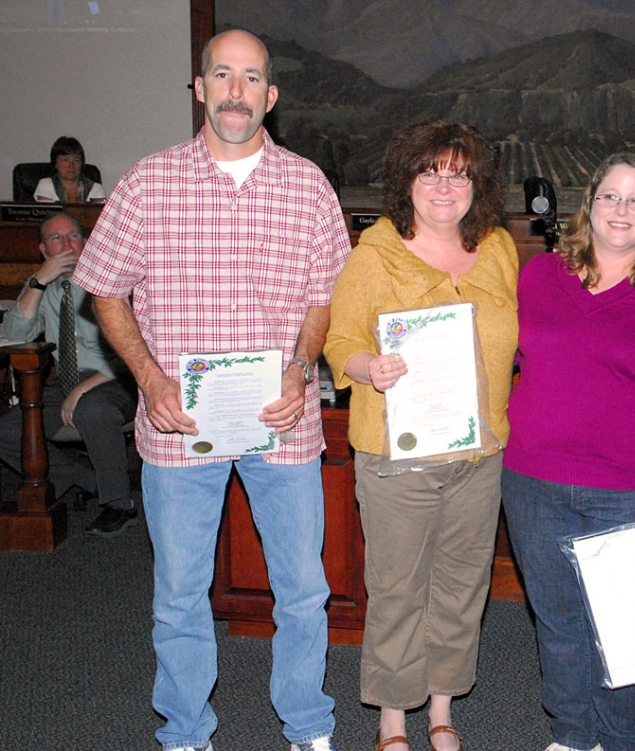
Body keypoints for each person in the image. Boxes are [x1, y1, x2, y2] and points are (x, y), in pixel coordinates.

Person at [72, 29, 350, 751]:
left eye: (251, 78)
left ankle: (308, 724)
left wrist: (302, 364)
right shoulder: (149, 181)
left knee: (304, 592)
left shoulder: (308, 185)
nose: (235, 91)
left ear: (271, 97)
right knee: (178, 595)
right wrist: (150, 378)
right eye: (221, 75)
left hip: (282, 421)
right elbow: (104, 289)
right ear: (200, 88)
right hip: (177, 424)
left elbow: (324, 298)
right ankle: (187, 731)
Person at [324, 118, 518, 751]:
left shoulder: (497, 249)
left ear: (476, 186)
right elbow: (340, 340)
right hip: (397, 456)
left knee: (462, 588)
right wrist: (367, 367)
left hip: (478, 453)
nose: (444, 185)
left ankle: (441, 711)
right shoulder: (375, 252)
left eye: (458, 174)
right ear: (406, 181)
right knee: (399, 590)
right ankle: (391, 722)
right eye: (430, 171)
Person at [501, 153, 635, 751]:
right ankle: (571, 735)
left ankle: (621, 740)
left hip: (630, 490)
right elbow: (501, 362)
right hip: (533, 481)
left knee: (628, 631)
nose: (622, 209)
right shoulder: (538, 276)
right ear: (589, 205)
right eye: (610, 196)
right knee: (559, 627)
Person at [0, 210, 138, 535]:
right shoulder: (43, 286)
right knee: (6, 432)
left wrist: (82, 389)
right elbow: (14, 335)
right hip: (64, 382)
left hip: (114, 380)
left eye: (73, 236)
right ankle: (88, 481)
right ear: (44, 250)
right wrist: (38, 281)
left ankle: (119, 504)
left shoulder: (109, 280)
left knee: (93, 409)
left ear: (86, 242)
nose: (67, 245)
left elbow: (131, 351)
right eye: (56, 239)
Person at [33, 136, 106, 202]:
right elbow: (48, 215)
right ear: (55, 162)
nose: (71, 165)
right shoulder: (46, 185)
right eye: (65, 160)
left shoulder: (95, 188)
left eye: (76, 160)